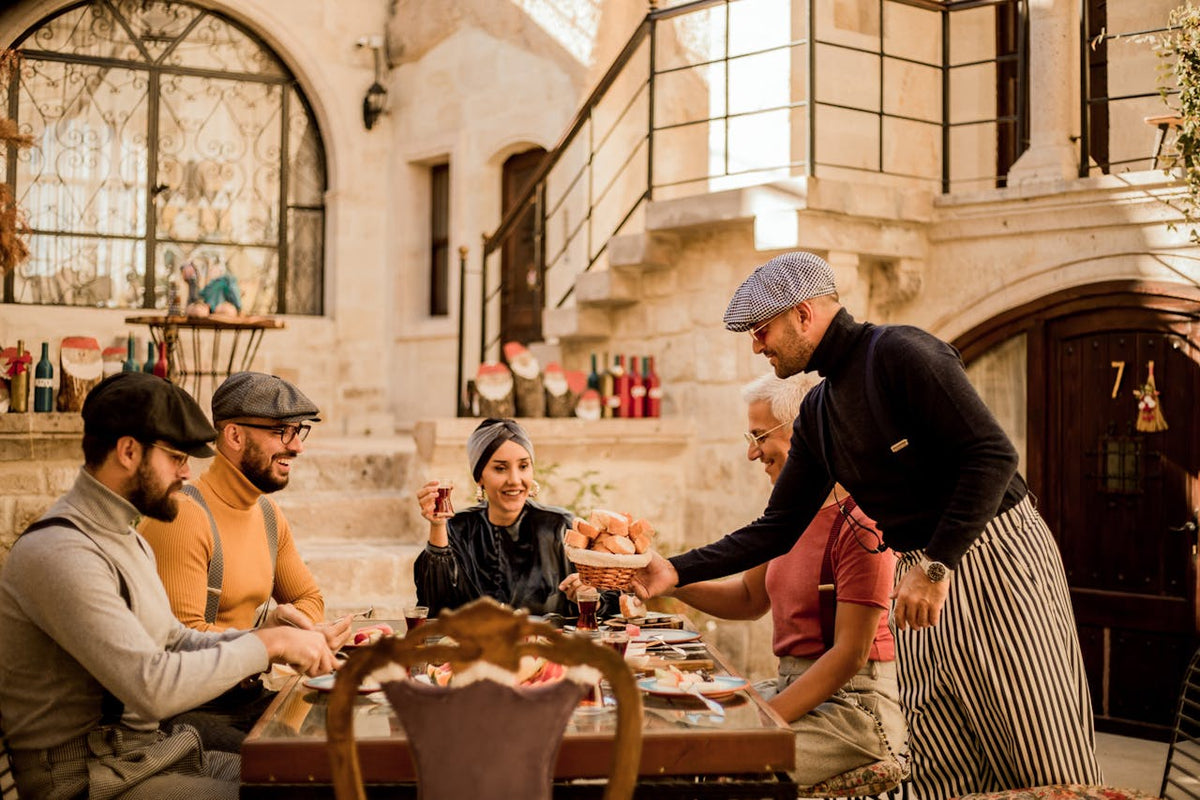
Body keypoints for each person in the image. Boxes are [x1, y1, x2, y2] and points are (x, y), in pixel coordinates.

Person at [633, 251, 1101, 798]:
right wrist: (672, 570)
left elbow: (994, 456)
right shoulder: (818, 412)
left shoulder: (901, 351)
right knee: (944, 765)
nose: (757, 346)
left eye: (761, 331)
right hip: (920, 570)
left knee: (1042, 753)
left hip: (993, 555)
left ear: (804, 314)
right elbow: (775, 528)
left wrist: (934, 565)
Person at [0, 372, 334, 800]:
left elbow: (174, 638)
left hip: (141, 756)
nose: (186, 472)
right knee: (292, 790)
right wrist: (265, 647)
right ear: (128, 452)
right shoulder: (62, 551)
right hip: (85, 780)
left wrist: (272, 637)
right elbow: (151, 687)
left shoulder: (123, 535)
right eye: (176, 457)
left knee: (311, 771)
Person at [665, 371, 905, 787]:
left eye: (759, 436)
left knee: (723, 770)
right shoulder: (788, 516)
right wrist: (666, 579)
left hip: (853, 712)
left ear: (804, 430)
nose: (752, 453)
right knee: (683, 732)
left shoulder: (862, 523)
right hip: (793, 686)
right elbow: (747, 599)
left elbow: (850, 655)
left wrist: (762, 717)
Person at [139, 371, 351, 750]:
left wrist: (293, 626)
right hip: (191, 713)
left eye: (298, 431)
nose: (297, 448)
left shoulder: (268, 514)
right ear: (234, 436)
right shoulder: (183, 516)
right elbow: (179, 644)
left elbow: (310, 599)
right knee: (303, 767)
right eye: (280, 432)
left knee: (347, 734)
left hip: (247, 697)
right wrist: (273, 641)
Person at [414, 418, 575, 617]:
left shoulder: (560, 526)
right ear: (480, 476)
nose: (515, 480)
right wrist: (437, 526)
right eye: (500, 468)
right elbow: (434, 609)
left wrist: (588, 593)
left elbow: (599, 605)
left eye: (523, 466)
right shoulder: (456, 529)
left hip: (547, 647)